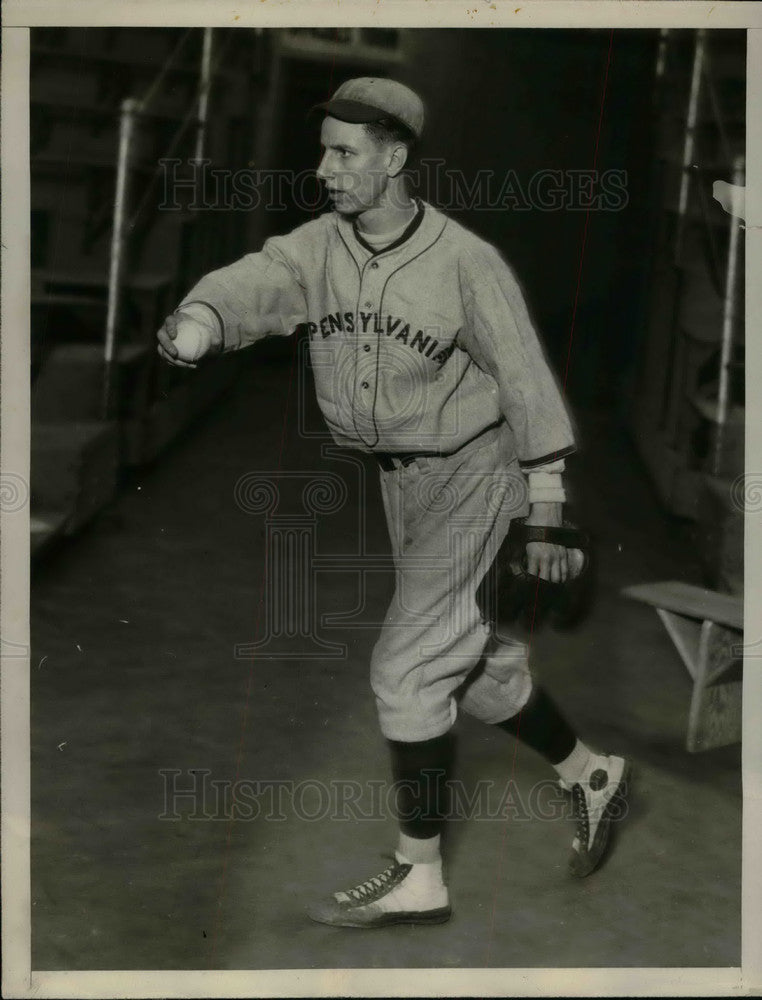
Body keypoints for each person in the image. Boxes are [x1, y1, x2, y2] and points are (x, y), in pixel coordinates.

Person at [157, 77, 630, 929]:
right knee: (475, 670)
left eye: (346, 152)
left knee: (407, 669)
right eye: (325, 149)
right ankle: (592, 773)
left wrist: (546, 507)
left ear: (395, 158)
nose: (326, 168)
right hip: (400, 482)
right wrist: (201, 317)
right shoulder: (319, 248)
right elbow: (257, 281)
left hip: (477, 474)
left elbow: (523, 380)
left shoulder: (464, 263)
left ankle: (421, 876)